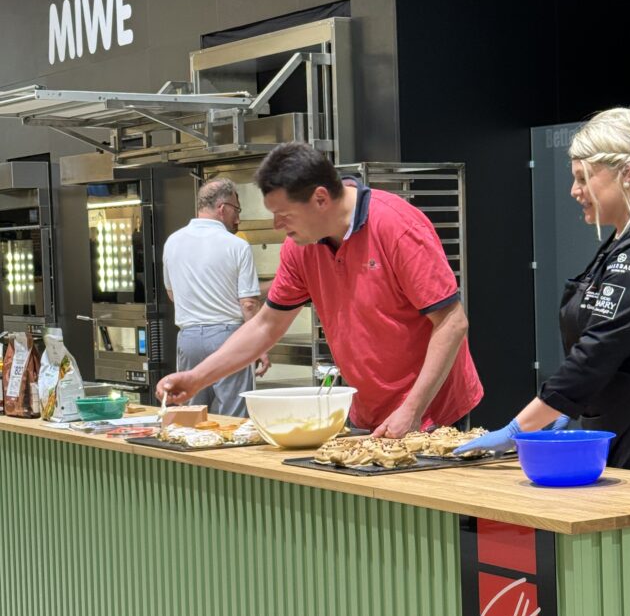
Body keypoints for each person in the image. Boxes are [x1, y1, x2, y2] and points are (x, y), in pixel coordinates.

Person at [456, 106, 630, 479]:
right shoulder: (627, 237)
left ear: (628, 173)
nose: (575, 191)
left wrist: (522, 426)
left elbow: (599, 349)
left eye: (583, 178)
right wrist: (565, 406)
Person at [157, 143, 483, 435]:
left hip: (432, 411)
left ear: (320, 199)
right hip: (369, 410)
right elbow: (267, 325)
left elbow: (452, 323)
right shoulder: (300, 247)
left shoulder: (397, 227)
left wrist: (412, 410)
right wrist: (197, 378)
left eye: (284, 215)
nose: (277, 226)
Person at [162, 177, 270, 418]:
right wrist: (258, 347)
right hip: (229, 337)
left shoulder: (172, 242)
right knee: (234, 417)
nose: (238, 218)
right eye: (236, 210)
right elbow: (249, 303)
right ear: (222, 208)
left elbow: (172, 294)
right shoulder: (236, 245)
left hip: (188, 338)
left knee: (191, 415)